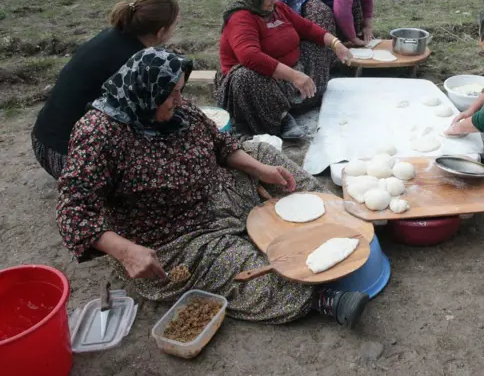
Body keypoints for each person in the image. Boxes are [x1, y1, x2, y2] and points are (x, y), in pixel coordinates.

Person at [57, 48, 369, 328]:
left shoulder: (177, 108)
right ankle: (320, 300)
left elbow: (220, 144)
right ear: (146, 93)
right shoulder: (98, 135)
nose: (180, 100)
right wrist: (126, 252)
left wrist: (262, 171)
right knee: (237, 266)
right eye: (172, 94)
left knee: (263, 153)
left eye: (181, 90)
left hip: (216, 191)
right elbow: (73, 214)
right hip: (176, 236)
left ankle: (337, 215)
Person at [31, 0, 179, 179]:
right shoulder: (133, 63)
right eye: (175, 25)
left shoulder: (114, 35)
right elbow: (148, 121)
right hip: (64, 156)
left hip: (42, 140)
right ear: (161, 32)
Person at [216, 0, 353, 139]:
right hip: (258, 82)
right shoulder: (240, 18)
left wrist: (336, 43)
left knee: (316, 46)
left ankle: (305, 99)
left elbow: (307, 28)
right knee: (246, 76)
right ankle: (280, 118)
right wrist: (294, 76)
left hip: (286, 76)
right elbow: (250, 56)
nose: (274, 0)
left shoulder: (278, 9)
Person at [278, 0, 392, 94]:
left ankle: (343, 49)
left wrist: (368, 27)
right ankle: (327, 59)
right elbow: (342, 10)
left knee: (355, 4)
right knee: (321, 13)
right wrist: (354, 38)